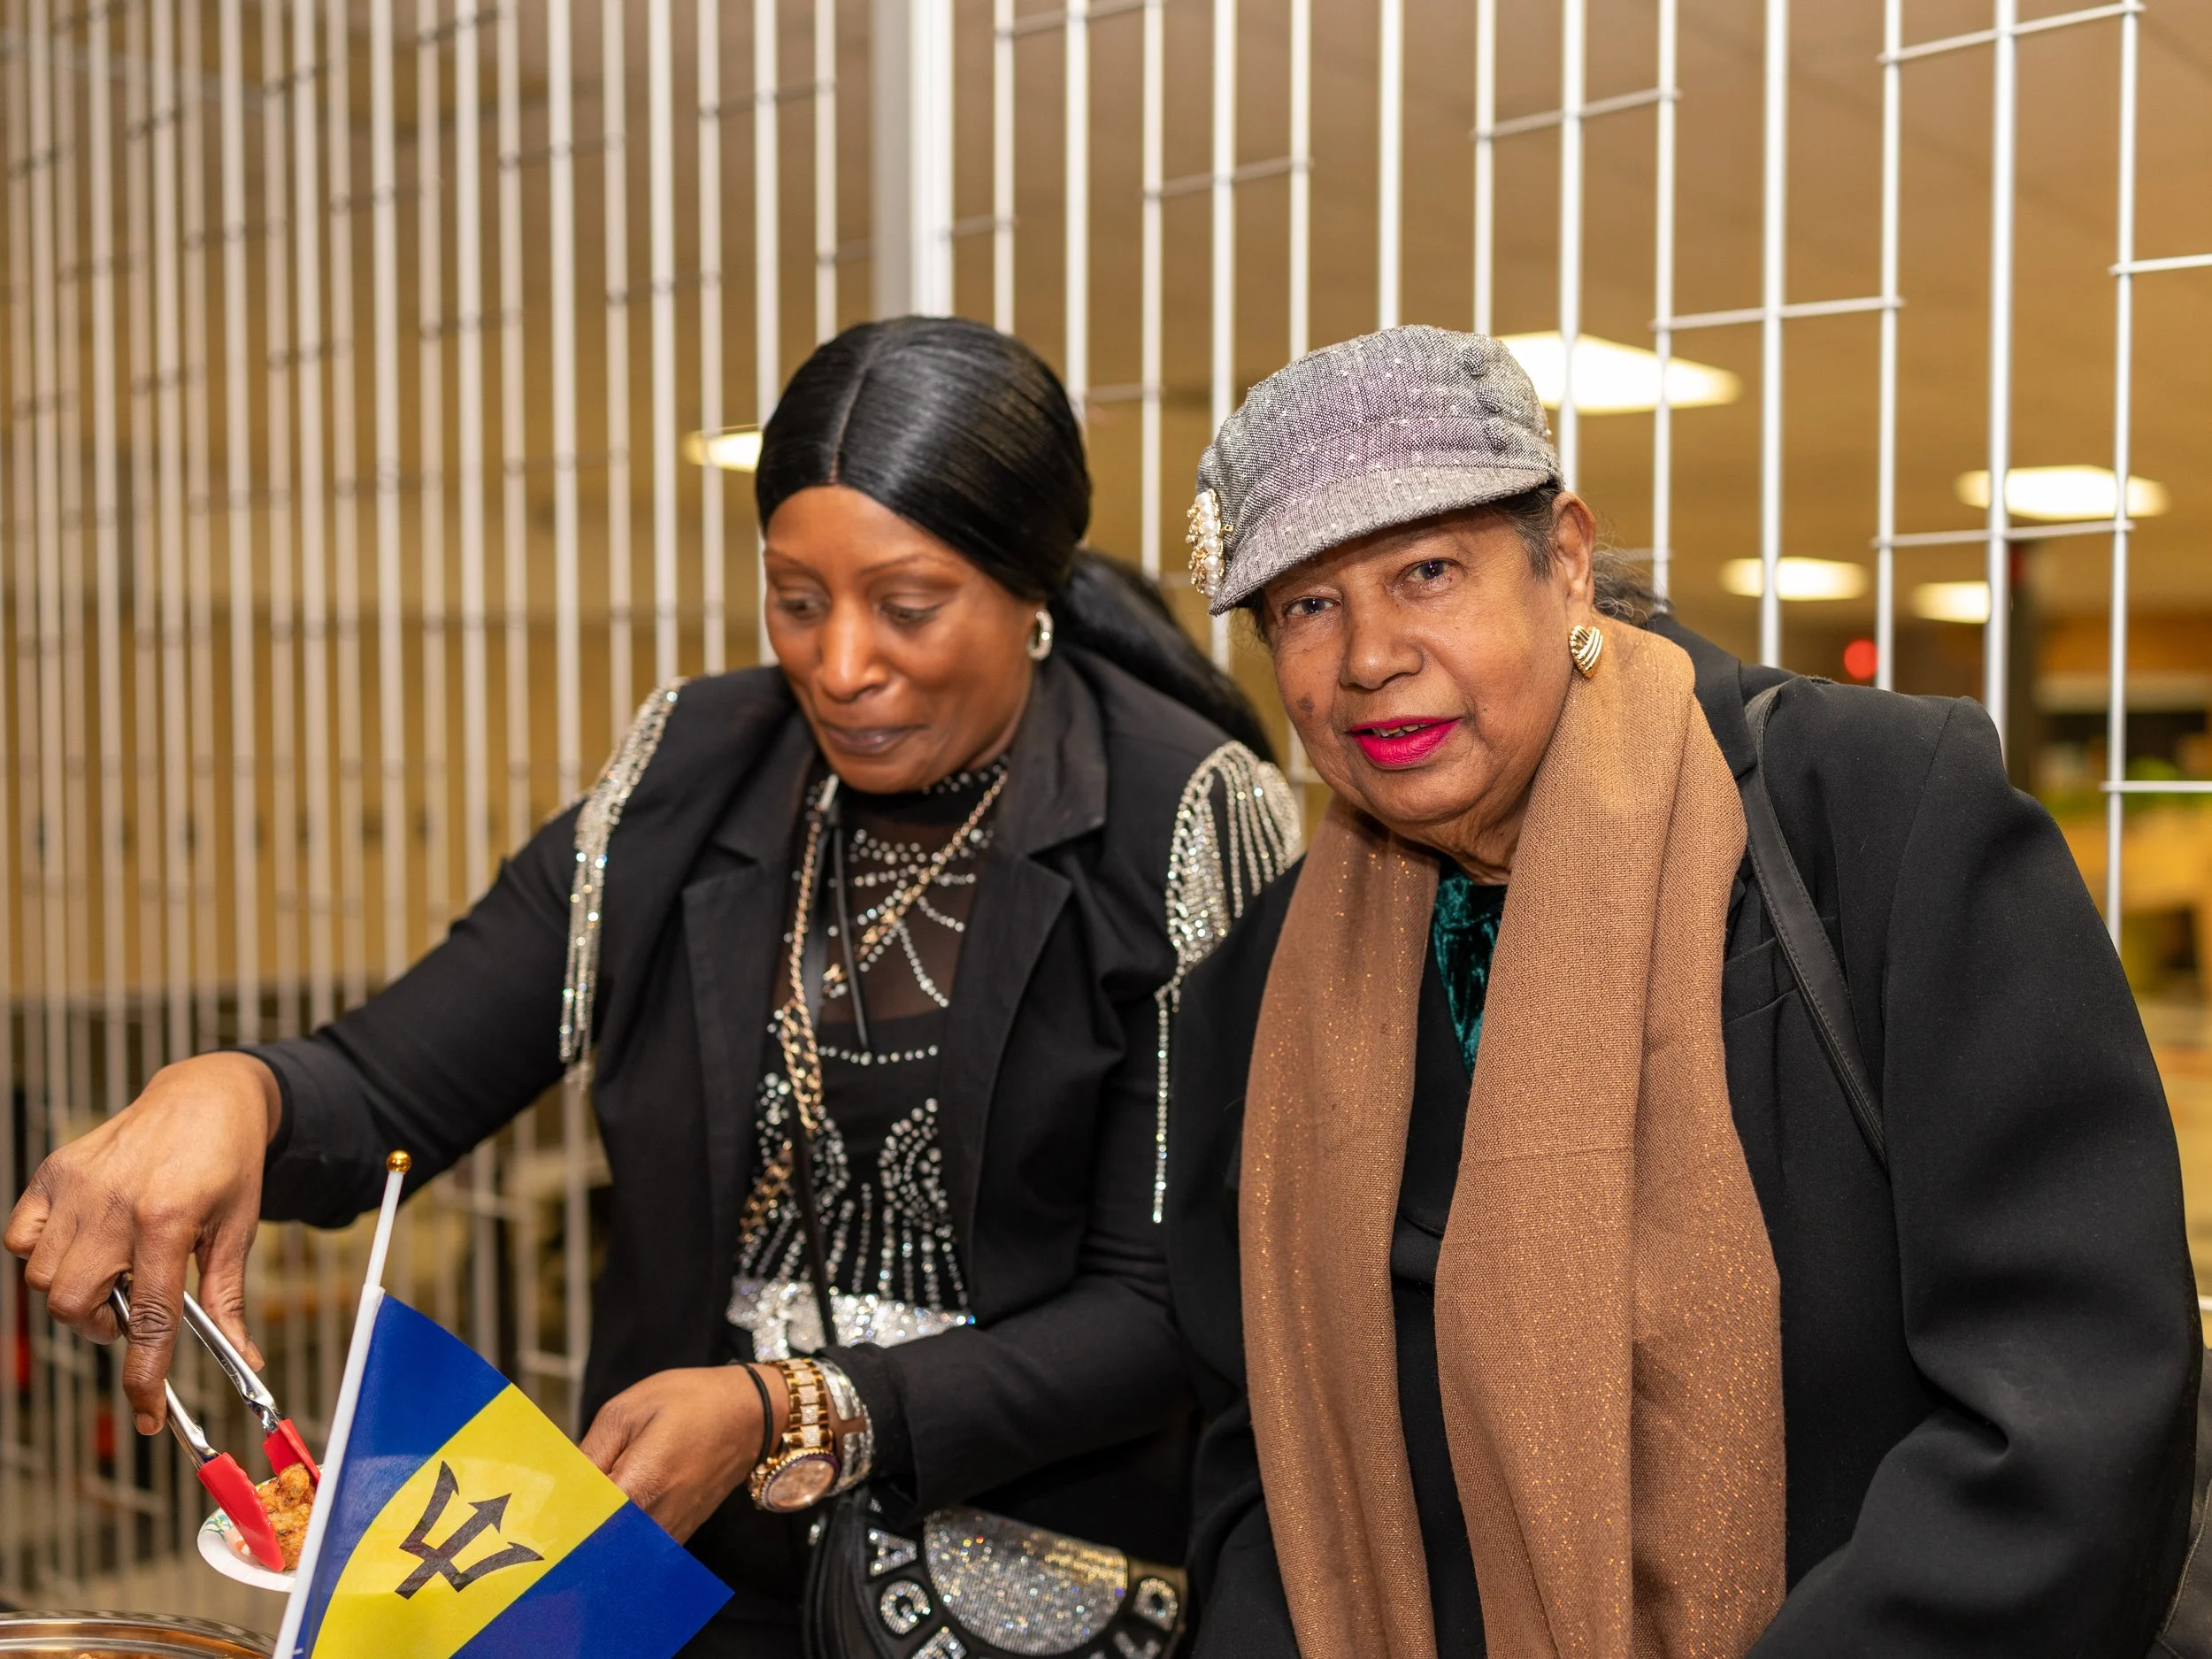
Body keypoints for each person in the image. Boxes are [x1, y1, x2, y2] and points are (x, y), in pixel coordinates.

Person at [6, 316, 1302, 1654]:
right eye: (796, 599)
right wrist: (235, 1089)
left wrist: (788, 1405)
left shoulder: (1176, 813)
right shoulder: (687, 776)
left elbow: (1163, 1307)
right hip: (676, 1576)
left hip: (1014, 1581)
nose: (842, 663)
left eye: (907, 607)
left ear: (1031, 587)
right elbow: (393, 1079)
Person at [1165, 325, 2199, 1657]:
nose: (1369, 655)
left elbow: (2073, 1397)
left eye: (1427, 571)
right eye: (1306, 605)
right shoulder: (1267, 982)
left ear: (1568, 556)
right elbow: (1257, 1453)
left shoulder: (1869, 819)